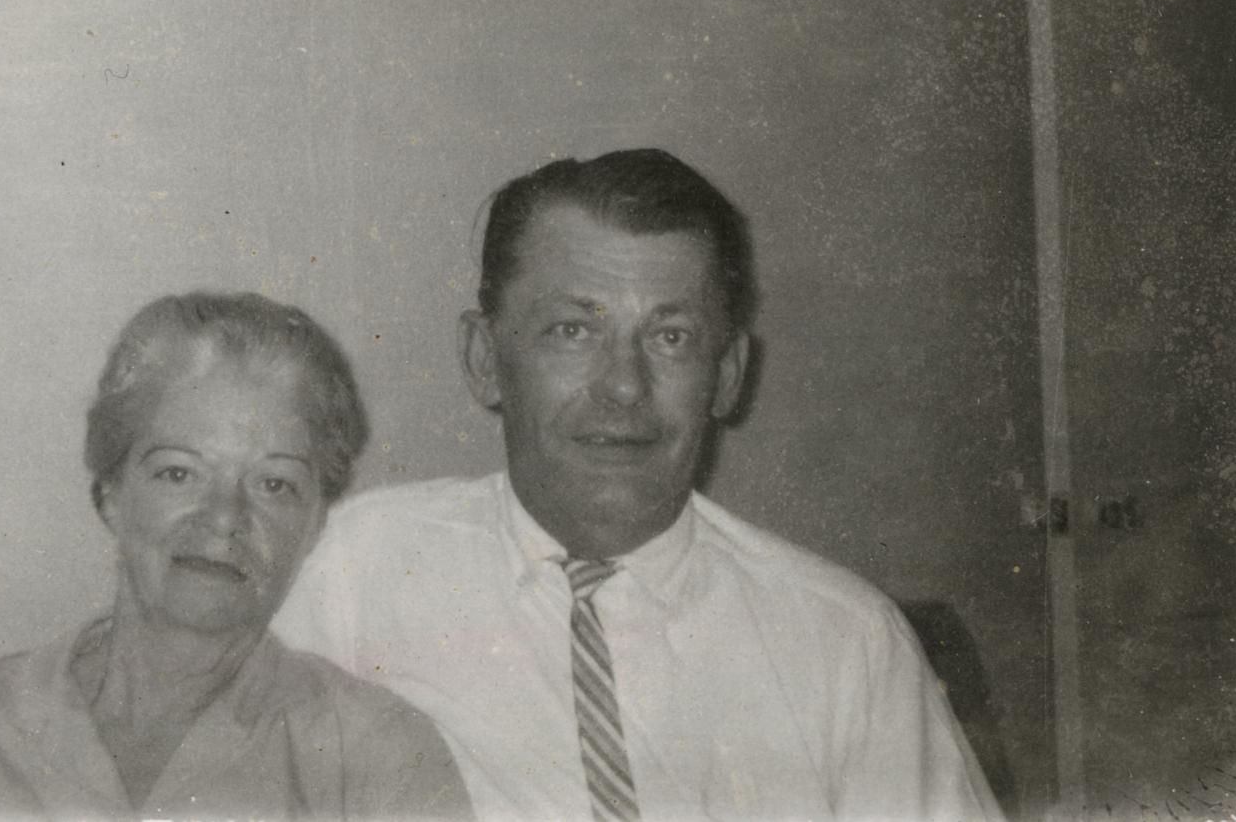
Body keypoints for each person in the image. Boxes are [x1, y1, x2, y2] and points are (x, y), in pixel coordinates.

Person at [274, 150, 1003, 821]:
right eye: (572, 331)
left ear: (725, 376)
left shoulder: (846, 645)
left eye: (670, 337)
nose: (624, 386)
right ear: (484, 359)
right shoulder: (342, 576)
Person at [0, 292, 472, 822]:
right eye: (180, 473)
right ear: (112, 492)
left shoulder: (381, 759)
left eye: (274, 484)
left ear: (313, 526)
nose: (225, 519)